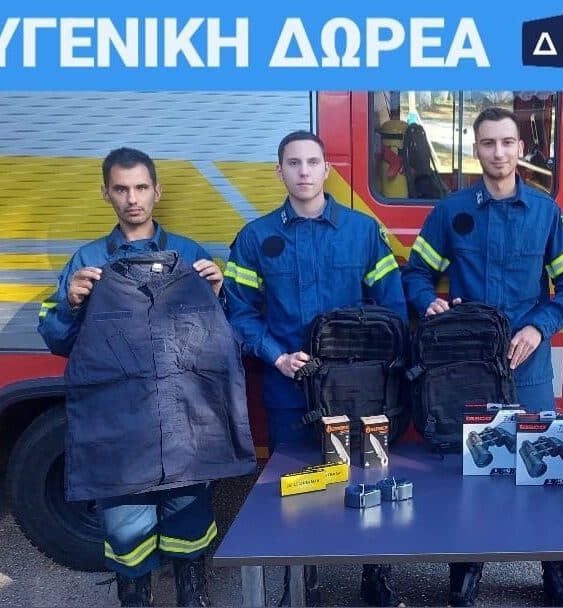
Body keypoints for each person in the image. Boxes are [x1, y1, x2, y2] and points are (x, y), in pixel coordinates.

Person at [402, 107, 563, 607]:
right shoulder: (452, 211)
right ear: (475, 149)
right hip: (467, 368)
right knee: (472, 471)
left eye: (507, 142)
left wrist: (537, 327)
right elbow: (417, 274)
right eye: (488, 143)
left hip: (527, 365)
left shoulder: (545, 213)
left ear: (521, 149)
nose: (499, 152)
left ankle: (558, 574)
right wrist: (429, 302)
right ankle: (466, 572)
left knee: (545, 468)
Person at [38, 147, 228, 607]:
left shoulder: (190, 254)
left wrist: (219, 294)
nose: (133, 199)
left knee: (188, 513)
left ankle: (192, 593)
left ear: (157, 191)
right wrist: (71, 304)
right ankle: (135, 596)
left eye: (141, 187)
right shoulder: (87, 261)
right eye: (121, 189)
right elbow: (58, 340)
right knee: (125, 523)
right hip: (118, 421)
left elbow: (222, 341)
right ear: (106, 194)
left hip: (183, 418)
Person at [224, 130, 408, 608]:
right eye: (293, 163)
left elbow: (391, 309)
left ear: (327, 170)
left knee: (369, 479)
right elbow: (239, 312)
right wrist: (276, 356)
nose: (303, 171)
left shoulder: (362, 232)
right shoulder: (255, 238)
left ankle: (375, 576)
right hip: (290, 389)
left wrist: (373, 368)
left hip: (361, 392)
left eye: (312, 162)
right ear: (279, 171)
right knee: (294, 488)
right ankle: (300, 584)